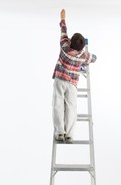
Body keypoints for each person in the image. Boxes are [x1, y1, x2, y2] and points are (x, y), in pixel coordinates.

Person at [52, 9, 97, 143]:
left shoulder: (64, 46)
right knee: (71, 107)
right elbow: (94, 58)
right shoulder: (83, 55)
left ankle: (60, 133)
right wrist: (90, 57)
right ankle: (70, 135)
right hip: (72, 84)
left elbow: (64, 32)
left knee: (58, 105)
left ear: (70, 42)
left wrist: (63, 19)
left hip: (60, 80)